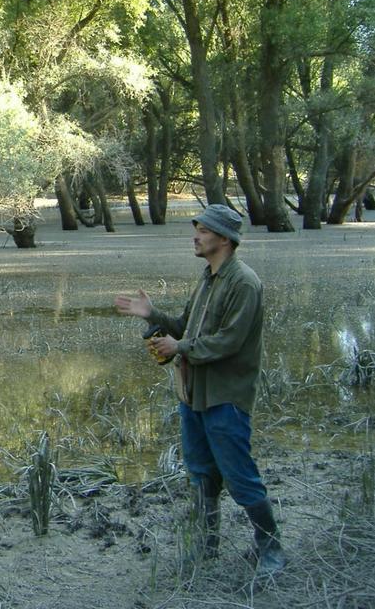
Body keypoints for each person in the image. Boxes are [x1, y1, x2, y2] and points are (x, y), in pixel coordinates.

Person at [114, 204, 287, 579]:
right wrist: (153, 315)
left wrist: (180, 348)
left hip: (226, 397)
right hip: (193, 395)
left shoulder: (244, 282)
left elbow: (228, 341)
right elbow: (184, 328)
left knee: (240, 475)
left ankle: (271, 548)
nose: (195, 235)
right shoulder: (208, 277)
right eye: (197, 229)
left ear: (224, 238)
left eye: (203, 230)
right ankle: (207, 546)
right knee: (201, 474)